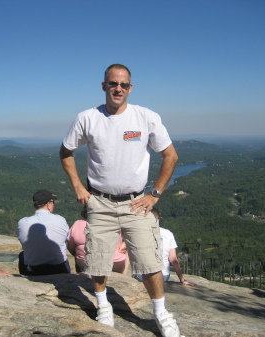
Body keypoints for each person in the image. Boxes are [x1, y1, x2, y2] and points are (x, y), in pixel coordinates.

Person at [59, 64, 181, 337]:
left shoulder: (145, 117)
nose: (118, 89)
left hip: (136, 202)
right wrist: (78, 186)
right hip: (99, 201)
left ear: (130, 88)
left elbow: (171, 156)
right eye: (113, 83)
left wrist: (155, 194)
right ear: (103, 85)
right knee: (97, 260)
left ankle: (161, 313)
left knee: (150, 261)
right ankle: (104, 307)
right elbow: (65, 152)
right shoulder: (87, 118)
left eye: (123, 85)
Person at [133, 208, 196, 286]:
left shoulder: (140, 232)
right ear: (159, 218)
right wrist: (182, 279)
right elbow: (173, 259)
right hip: (164, 275)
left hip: (142, 275)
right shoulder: (168, 234)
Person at [17, 189, 70, 276]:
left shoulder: (22, 222)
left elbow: (23, 242)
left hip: (33, 270)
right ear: (49, 204)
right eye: (53, 202)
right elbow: (68, 239)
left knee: (22, 255)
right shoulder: (60, 220)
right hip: (58, 268)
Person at [67, 206, 129, 275]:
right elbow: (131, 237)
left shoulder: (77, 224)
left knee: (78, 254)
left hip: (85, 264)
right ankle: (124, 275)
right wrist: (124, 243)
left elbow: (71, 248)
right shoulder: (116, 222)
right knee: (126, 251)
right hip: (115, 264)